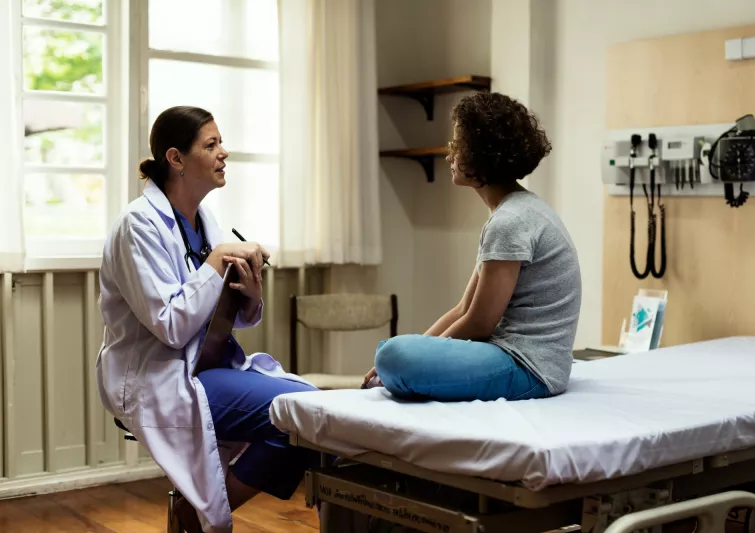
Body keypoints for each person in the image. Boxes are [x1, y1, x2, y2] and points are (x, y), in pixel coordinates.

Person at [96, 106, 319, 533]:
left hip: (204, 365)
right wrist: (216, 263)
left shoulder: (206, 221)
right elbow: (171, 325)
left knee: (312, 404)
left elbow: (233, 318)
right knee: (301, 415)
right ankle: (199, 517)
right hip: (156, 376)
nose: (224, 153)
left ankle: (195, 516)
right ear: (176, 159)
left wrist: (250, 294)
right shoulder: (137, 226)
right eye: (211, 145)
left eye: (221, 143)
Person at [363, 92, 582, 402]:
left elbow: (480, 323)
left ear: (483, 156)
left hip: (530, 368)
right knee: (394, 352)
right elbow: (465, 309)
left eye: (458, 145)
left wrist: (415, 355)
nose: (449, 155)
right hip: (518, 358)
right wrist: (423, 348)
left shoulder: (510, 221)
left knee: (393, 355)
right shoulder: (512, 212)